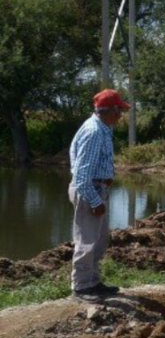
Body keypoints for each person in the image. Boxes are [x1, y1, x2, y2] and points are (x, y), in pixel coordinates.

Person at [68, 89, 131, 301]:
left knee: (100, 239)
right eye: (118, 111)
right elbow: (82, 175)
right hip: (89, 190)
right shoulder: (94, 132)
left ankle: (92, 282)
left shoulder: (103, 128)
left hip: (97, 188)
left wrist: (106, 178)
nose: (120, 115)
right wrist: (95, 201)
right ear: (109, 111)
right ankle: (81, 287)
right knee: (86, 240)